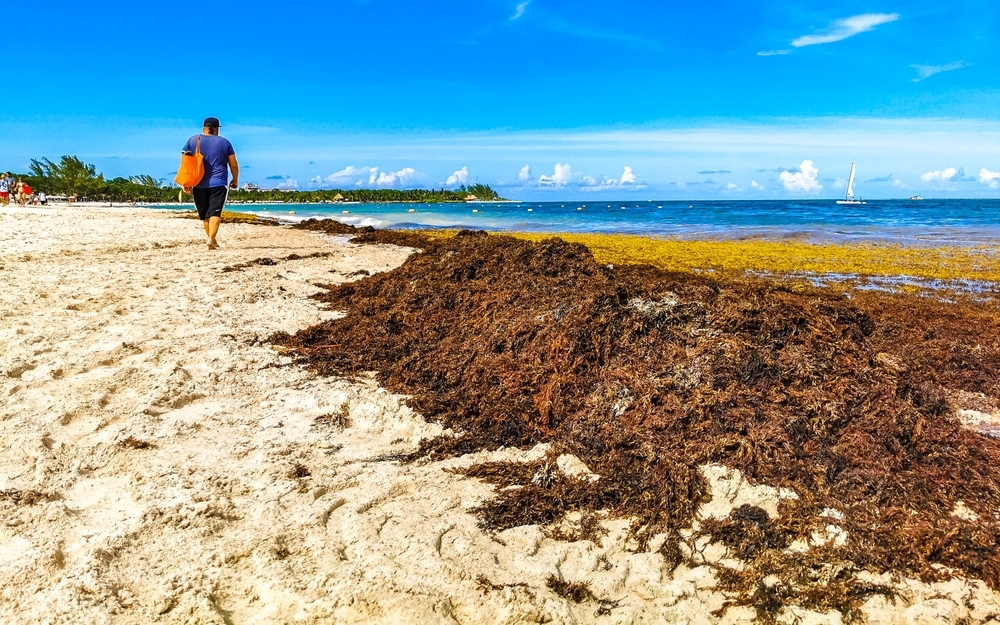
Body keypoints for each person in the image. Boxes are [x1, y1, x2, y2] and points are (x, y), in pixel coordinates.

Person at [181, 117, 238, 250]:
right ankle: (211, 239)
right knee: (215, 212)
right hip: (219, 183)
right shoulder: (225, 143)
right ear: (217, 129)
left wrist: (186, 182)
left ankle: (211, 240)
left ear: (204, 128)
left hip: (198, 183)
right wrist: (235, 179)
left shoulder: (193, 140)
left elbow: (186, 163)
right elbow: (233, 164)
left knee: (206, 214)